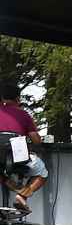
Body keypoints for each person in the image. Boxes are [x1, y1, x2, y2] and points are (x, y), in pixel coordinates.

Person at [0, 80, 48, 216]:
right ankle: (22, 196)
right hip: (16, 157)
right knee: (42, 172)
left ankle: (17, 189)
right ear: (17, 98)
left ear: (3, 98)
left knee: (3, 173)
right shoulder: (24, 115)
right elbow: (36, 140)